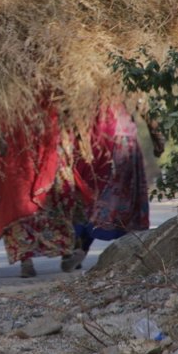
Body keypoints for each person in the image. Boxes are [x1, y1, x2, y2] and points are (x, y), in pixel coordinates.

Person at [61, 98, 165, 272]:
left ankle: (80, 248)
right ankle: (130, 253)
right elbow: (143, 105)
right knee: (122, 200)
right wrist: (157, 137)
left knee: (89, 199)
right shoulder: (125, 77)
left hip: (91, 143)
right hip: (121, 143)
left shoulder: (85, 79)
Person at [0, 101, 76, 278]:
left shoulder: (4, 95)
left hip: (27, 148)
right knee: (38, 201)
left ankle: (28, 260)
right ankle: (64, 252)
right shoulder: (3, 93)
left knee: (24, 202)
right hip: (27, 147)